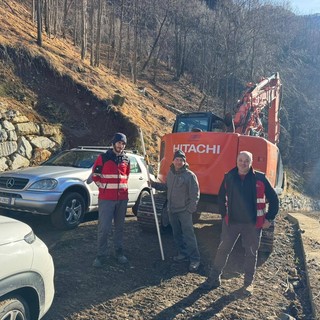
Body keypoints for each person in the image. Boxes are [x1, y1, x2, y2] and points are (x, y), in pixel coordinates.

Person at [201, 151, 279, 294]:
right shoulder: (229, 176)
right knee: (222, 250)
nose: (243, 163)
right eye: (241, 160)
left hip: (253, 225)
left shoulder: (260, 178)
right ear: (236, 161)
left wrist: (269, 218)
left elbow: (274, 199)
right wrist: (224, 215)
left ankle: (248, 284)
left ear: (251, 162)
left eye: (246, 161)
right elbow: (220, 197)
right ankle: (213, 279)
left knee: (251, 253)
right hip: (232, 223)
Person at [151, 149, 201, 272]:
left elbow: (195, 194)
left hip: (184, 211)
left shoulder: (190, 176)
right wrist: (153, 184)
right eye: (177, 159)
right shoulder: (171, 173)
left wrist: (190, 209)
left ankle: (195, 259)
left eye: (181, 160)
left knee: (189, 235)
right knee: (177, 234)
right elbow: (166, 187)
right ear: (173, 161)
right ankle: (183, 253)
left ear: (184, 162)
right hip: (172, 210)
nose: (178, 162)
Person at [91, 132, 130, 268]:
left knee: (119, 228)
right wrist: (104, 187)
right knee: (104, 228)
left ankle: (119, 253)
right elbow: (95, 175)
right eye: (119, 142)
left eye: (123, 143)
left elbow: (127, 176)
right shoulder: (103, 157)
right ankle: (101, 255)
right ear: (114, 143)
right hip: (107, 199)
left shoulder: (126, 160)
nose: (121, 145)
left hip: (122, 199)